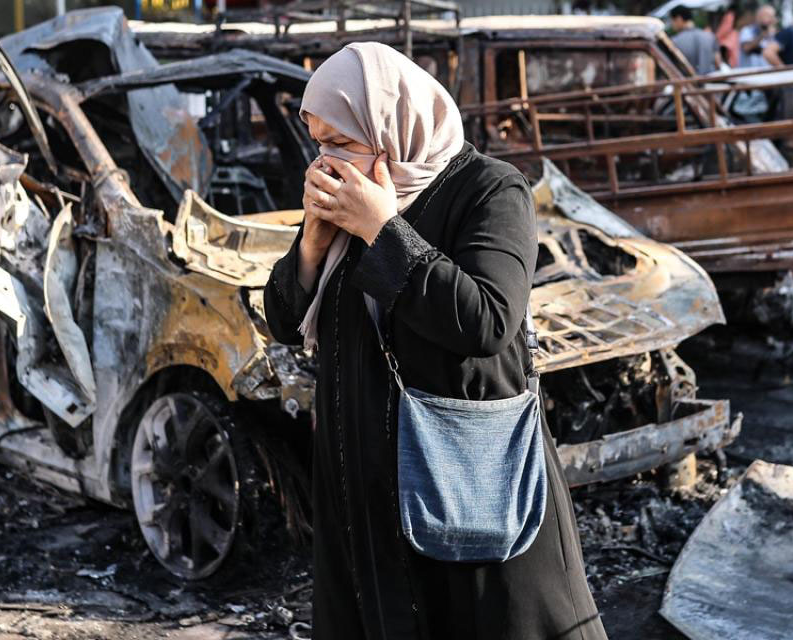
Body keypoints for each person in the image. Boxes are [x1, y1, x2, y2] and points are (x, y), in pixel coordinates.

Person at [264, 42, 608, 640]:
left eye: (341, 143)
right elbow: (286, 324)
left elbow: (486, 320)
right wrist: (313, 245)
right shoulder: (348, 201)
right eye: (317, 143)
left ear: (391, 129)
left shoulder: (490, 190)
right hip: (366, 486)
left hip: (464, 475)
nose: (325, 162)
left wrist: (381, 228)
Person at [669, 5, 720, 75]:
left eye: (672, 21)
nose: (672, 24)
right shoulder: (710, 36)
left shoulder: (674, 42)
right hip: (711, 83)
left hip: (688, 84)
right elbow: (718, 63)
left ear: (679, 19)